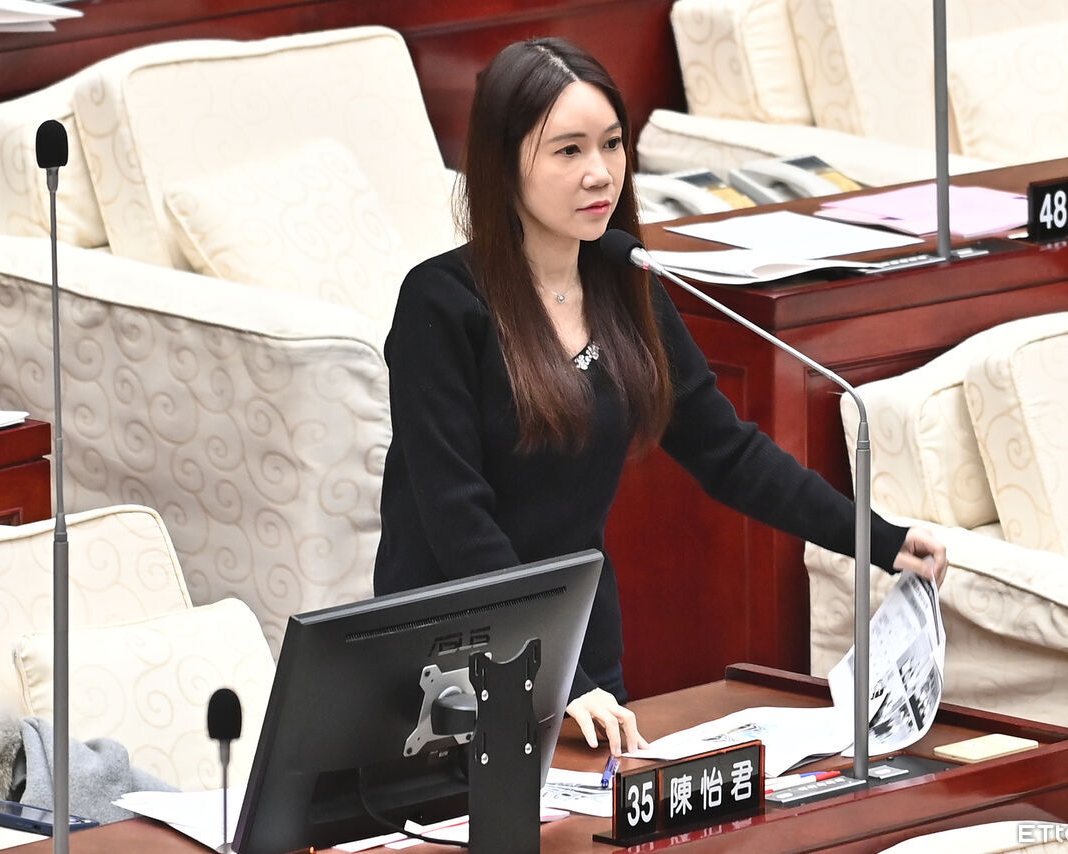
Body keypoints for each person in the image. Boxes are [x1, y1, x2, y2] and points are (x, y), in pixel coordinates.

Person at [373, 36, 947, 757]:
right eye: (568, 150)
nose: (600, 173)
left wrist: (878, 540)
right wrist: (557, 678)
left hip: (581, 646)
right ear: (503, 163)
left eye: (612, 144)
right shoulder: (441, 304)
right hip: (456, 656)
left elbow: (728, 454)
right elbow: (459, 521)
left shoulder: (624, 284)